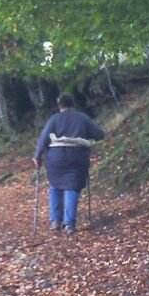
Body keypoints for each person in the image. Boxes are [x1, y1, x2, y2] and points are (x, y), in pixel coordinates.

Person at [34, 93, 105, 233]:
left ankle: (55, 221)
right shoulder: (82, 118)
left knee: (55, 186)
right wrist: (85, 134)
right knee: (72, 187)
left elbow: (43, 138)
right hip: (77, 157)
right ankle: (69, 224)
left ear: (59, 105)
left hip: (56, 158)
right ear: (73, 104)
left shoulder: (54, 119)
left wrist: (37, 156)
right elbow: (99, 134)